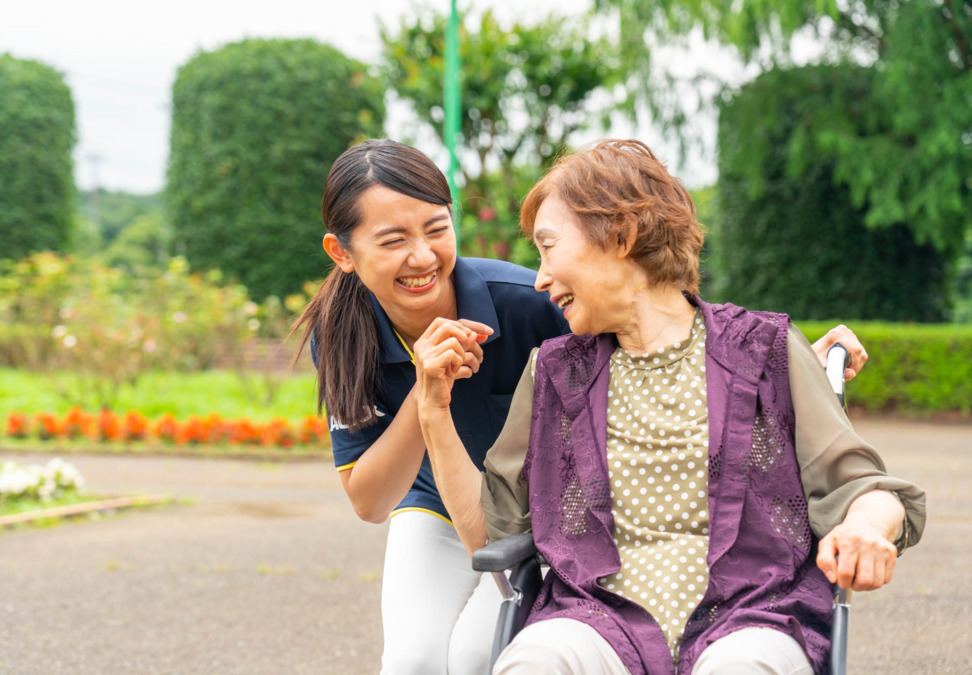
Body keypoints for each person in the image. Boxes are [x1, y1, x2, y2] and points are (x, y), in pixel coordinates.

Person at [293, 138, 873, 675]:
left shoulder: (530, 303)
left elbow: (652, 312)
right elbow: (370, 501)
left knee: (476, 653)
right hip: (442, 504)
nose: (421, 256)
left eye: (436, 229)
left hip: (546, 509)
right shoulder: (345, 335)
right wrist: (427, 394)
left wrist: (778, 363)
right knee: (415, 661)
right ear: (341, 252)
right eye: (393, 240)